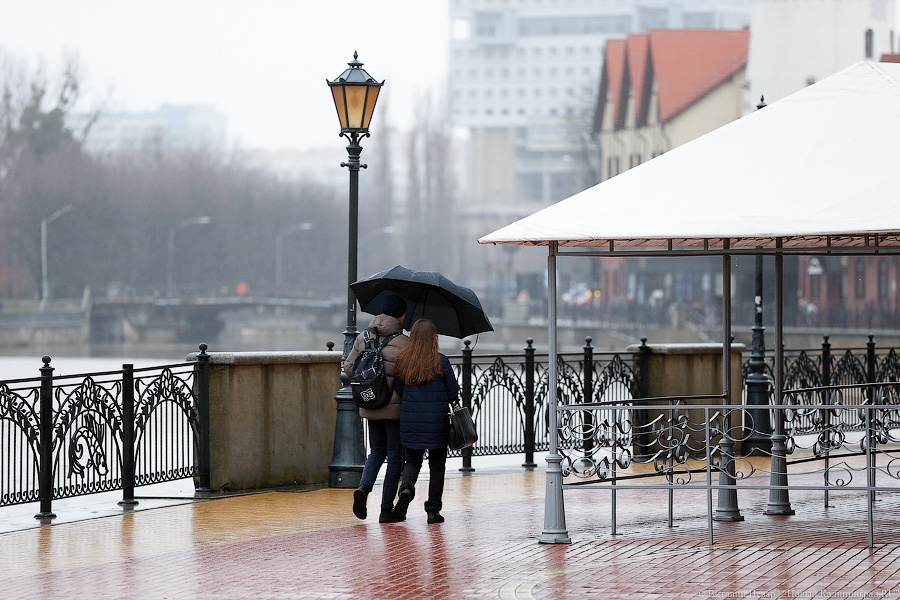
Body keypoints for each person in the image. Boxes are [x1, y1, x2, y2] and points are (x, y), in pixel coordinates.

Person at [342, 293, 408, 523]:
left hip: (369, 403)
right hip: (393, 408)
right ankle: (386, 510)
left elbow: (348, 369)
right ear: (401, 315)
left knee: (376, 452)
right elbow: (407, 378)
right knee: (394, 456)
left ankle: (363, 488)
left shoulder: (363, 337)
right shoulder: (404, 343)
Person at [391, 318, 459, 524]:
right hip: (437, 423)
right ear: (433, 338)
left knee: (412, 461)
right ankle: (432, 511)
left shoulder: (404, 361)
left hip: (410, 421)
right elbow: (453, 393)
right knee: (437, 466)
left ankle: (406, 488)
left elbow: (400, 391)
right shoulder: (441, 361)